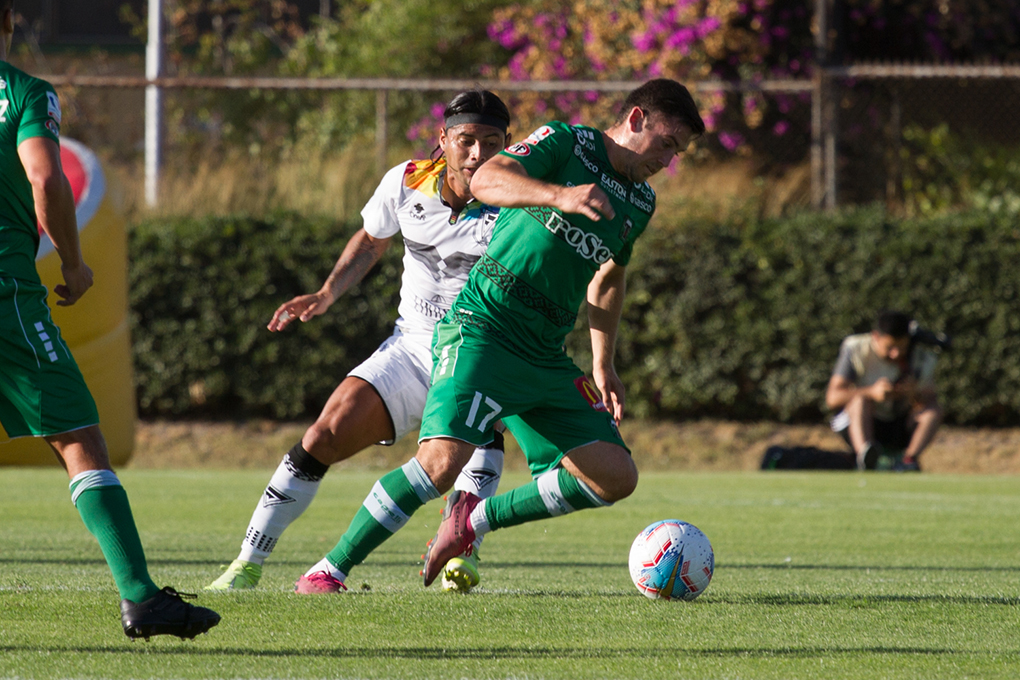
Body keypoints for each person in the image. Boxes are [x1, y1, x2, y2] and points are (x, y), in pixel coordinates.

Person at [302, 78, 705, 591]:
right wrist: (560, 195)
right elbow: (487, 180)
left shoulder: (640, 201)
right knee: (440, 465)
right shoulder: (566, 143)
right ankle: (327, 570)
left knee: (615, 477)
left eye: (679, 153)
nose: (668, 161)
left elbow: (608, 278)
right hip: (484, 327)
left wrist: (604, 365)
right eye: (667, 144)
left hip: (544, 353)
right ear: (636, 119)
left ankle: (472, 520)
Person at [206, 90, 513, 594]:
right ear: (444, 140)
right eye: (467, 141)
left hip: (479, 354)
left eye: (491, 142)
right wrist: (327, 293)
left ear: (508, 144)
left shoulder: (520, 203)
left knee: (468, 448)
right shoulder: (407, 180)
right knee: (323, 434)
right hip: (413, 348)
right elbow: (373, 239)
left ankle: (464, 551)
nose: (478, 154)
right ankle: (246, 565)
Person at [0, 0, 220, 639]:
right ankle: (140, 597)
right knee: (78, 438)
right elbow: (45, 180)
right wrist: (72, 263)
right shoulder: (25, 94)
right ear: (9, 19)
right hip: (7, 296)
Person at [826, 310, 943, 471]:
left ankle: (908, 461)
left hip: (898, 424)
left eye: (901, 347)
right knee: (860, 401)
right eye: (889, 347)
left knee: (932, 411)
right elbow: (832, 398)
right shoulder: (856, 348)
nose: (895, 354)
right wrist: (871, 392)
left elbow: (930, 402)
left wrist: (913, 394)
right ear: (876, 336)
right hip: (863, 421)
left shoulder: (922, 357)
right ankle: (866, 459)